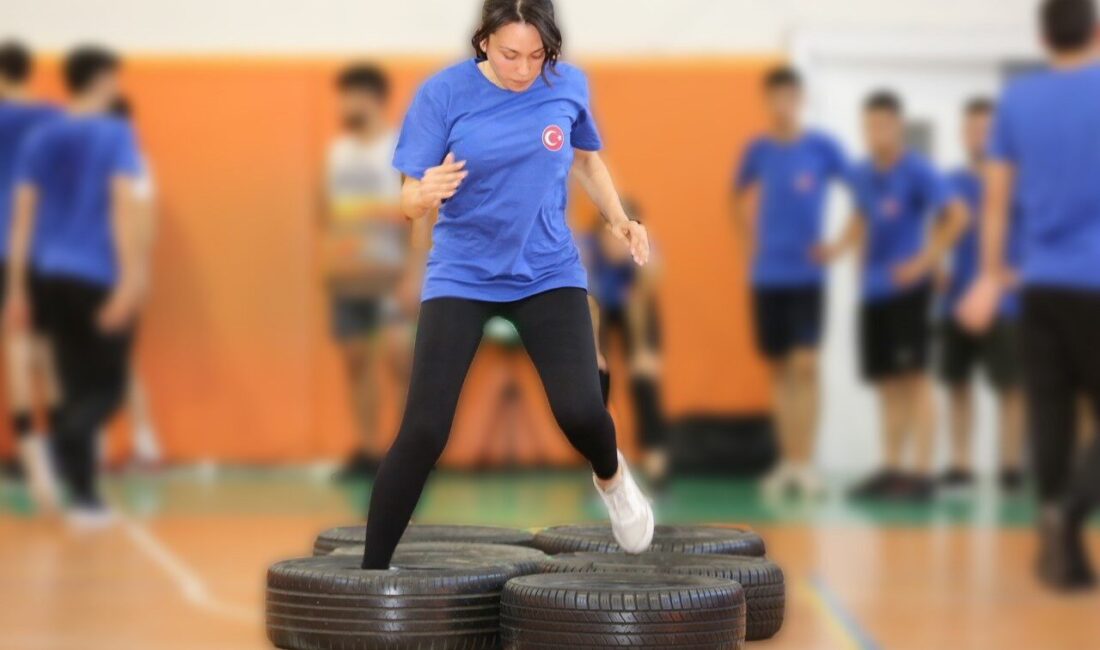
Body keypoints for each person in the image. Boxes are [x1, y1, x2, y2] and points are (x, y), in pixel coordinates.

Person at [360, 0, 654, 570]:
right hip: (463, 274)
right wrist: (422, 195)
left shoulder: (568, 87)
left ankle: (613, 478)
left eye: (536, 55)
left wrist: (620, 220)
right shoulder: (442, 94)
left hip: (546, 271)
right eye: (510, 54)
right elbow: (407, 196)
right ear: (484, 42)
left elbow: (588, 162)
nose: (524, 68)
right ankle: (372, 578)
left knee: (581, 412)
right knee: (422, 431)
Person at [959, 0, 1100, 590]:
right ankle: (1070, 512)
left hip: (1039, 282)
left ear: (1043, 38)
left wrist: (991, 275)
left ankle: (1059, 550)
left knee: (1052, 417)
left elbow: (996, 202)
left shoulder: (1017, 101)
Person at [4, 45, 147, 528]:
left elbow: (23, 214)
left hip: (48, 272)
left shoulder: (44, 136)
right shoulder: (115, 133)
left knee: (74, 378)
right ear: (104, 79)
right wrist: (129, 280)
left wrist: (21, 286)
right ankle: (70, 441)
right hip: (96, 273)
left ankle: (84, 500)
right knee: (106, 386)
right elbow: (123, 202)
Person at [820, 91, 967, 502]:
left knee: (915, 378)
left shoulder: (918, 170)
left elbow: (958, 215)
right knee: (887, 382)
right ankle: (892, 468)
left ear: (898, 126)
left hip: (909, 292)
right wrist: (835, 250)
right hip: (874, 291)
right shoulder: (864, 173)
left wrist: (925, 262)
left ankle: (921, 474)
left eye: (883, 125)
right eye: (869, 126)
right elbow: (861, 219)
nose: (875, 133)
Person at [733, 67, 849, 499]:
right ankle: (787, 462)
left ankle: (806, 462)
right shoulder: (758, 150)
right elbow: (735, 196)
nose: (783, 105)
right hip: (768, 276)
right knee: (780, 369)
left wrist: (838, 246)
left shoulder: (822, 148)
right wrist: (749, 243)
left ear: (800, 100)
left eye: (790, 97)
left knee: (807, 365)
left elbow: (863, 196)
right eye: (775, 98)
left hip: (807, 277)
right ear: (768, 101)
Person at [323, 64, 416, 480]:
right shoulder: (338, 152)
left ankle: (404, 453)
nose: (343, 105)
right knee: (356, 360)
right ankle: (367, 449)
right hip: (349, 275)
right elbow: (328, 210)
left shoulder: (399, 147)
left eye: (350, 95)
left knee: (399, 359)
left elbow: (415, 213)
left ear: (372, 98)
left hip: (390, 273)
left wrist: (413, 273)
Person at [938, 98, 1025, 492]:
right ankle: (961, 466)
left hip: (1004, 302)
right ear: (963, 133)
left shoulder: (1017, 182)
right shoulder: (950, 182)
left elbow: (1039, 234)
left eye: (986, 128)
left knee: (1012, 386)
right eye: (972, 128)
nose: (979, 135)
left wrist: (1019, 276)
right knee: (958, 384)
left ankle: (1010, 467)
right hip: (956, 299)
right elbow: (935, 232)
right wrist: (935, 266)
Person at [0, 39, 62, 512]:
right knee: (45, 349)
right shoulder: (53, 118)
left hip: (6, 246)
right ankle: (61, 450)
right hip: (48, 249)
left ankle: (35, 459)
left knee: (17, 347)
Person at [582, 199, 668, 486]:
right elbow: (586, 306)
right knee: (595, 378)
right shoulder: (586, 253)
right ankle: (602, 463)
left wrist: (643, 349)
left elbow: (642, 302)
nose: (618, 243)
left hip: (635, 309)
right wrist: (593, 351)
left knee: (645, 378)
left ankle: (656, 464)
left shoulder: (643, 252)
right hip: (599, 306)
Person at [108, 96, 162, 469]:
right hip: (97, 278)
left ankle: (146, 444)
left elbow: (143, 222)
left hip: (117, 279)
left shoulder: (134, 165)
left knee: (121, 363)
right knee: (95, 366)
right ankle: (95, 449)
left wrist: (135, 276)